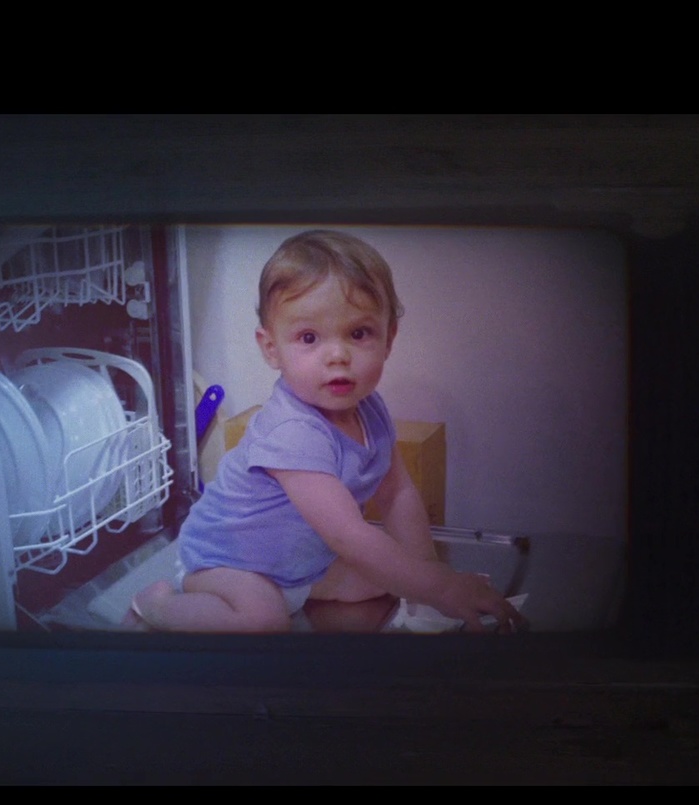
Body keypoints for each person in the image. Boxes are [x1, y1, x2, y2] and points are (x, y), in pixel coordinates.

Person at [129, 229, 528, 634]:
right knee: (265, 619)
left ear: (388, 338)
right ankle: (157, 605)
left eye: (358, 333)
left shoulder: (371, 410)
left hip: (298, 565)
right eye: (308, 337)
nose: (338, 355)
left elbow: (397, 494)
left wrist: (429, 580)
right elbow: (348, 536)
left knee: (389, 578)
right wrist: (441, 587)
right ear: (271, 349)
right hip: (229, 562)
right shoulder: (292, 430)